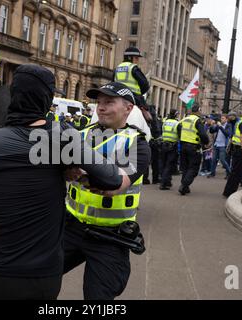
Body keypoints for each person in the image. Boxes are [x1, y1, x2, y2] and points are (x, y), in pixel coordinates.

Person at [0, 64, 123, 300]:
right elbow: (111, 178)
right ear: (46, 99)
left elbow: (15, 173)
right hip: (42, 276)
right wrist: (64, 164)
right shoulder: (62, 138)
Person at [63, 82, 151, 300]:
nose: (100, 107)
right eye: (99, 102)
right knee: (36, 277)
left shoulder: (137, 144)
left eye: (109, 102)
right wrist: (66, 171)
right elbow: (60, 173)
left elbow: (114, 186)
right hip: (70, 228)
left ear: (128, 108)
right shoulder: (80, 135)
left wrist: (79, 172)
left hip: (110, 236)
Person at [177, 104, 209, 195]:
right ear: (198, 111)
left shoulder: (185, 119)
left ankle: (185, 187)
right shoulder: (197, 120)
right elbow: (203, 134)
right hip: (193, 147)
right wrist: (205, 142)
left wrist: (181, 137)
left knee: (185, 168)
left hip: (183, 146)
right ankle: (184, 185)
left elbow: (178, 128)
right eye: (200, 111)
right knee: (193, 168)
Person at [222, 108, 242, 198]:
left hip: (238, 149)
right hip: (240, 150)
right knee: (237, 173)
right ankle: (230, 192)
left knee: (235, 172)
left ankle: (228, 191)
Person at [160, 109, 179, 190]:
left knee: (164, 164)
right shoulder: (177, 123)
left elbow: (162, 131)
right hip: (172, 146)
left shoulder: (165, 122)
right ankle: (163, 183)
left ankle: (167, 181)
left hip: (164, 145)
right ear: (175, 115)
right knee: (169, 165)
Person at [208, 114, 232, 178]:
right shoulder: (219, 125)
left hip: (223, 145)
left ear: (226, 119)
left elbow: (227, 134)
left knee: (223, 160)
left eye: (223, 118)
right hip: (216, 144)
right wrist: (212, 125)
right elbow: (211, 131)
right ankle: (212, 173)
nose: (221, 119)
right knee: (213, 160)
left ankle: (229, 173)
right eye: (221, 118)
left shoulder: (228, 125)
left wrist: (220, 126)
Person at [144, 104, 162, 185]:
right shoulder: (155, 119)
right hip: (154, 142)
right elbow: (157, 130)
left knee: (147, 161)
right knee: (155, 162)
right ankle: (155, 178)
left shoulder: (144, 118)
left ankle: (145, 178)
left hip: (146, 141)